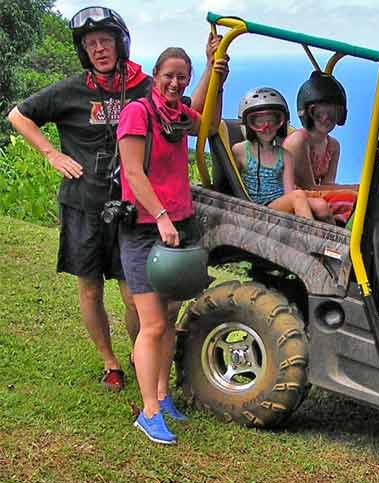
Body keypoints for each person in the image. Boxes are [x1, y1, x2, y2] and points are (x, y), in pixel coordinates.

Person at [7, 7, 150, 392]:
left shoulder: (143, 86)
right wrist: (52, 154)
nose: (99, 49)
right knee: (90, 287)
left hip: (129, 206)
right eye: (91, 45)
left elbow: (182, 111)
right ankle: (110, 362)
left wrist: (213, 69)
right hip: (82, 204)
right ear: (83, 51)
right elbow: (18, 115)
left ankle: (141, 355)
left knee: (134, 294)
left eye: (105, 41)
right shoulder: (71, 89)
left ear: (120, 43)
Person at [117, 47, 227, 444]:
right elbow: (132, 170)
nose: (175, 83)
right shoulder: (138, 114)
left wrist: (218, 77)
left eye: (183, 77)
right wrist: (161, 215)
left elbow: (210, 123)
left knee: (170, 319)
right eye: (169, 76)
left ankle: (162, 396)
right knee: (154, 324)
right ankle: (147, 412)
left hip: (177, 228)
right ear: (154, 75)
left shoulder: (177, 116)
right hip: (146, 228)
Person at [232, 87, 330, 220]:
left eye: (273, 122)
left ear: (281, 124)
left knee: (321, 206)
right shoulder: (240, 151)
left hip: (279, 203)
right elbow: (232, 183)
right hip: (257, 209)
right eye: (259, 122)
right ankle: (309, 240)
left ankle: (335, 239)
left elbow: (288, 192)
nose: (266, 128)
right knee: (298, 196)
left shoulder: (285, 156)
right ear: (248, 124)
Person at [283, 71, 345, 190]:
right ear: (307, 113)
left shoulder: (333, 145)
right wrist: (358, 189)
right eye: (319, 113)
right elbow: (308, 186)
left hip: (315, 196)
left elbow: (328, 184)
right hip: (294, 198)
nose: (325, 118)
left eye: (332, 113)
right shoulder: (298, 141)